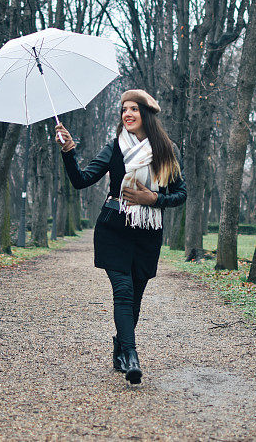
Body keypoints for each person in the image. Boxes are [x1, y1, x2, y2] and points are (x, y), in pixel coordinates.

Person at [53, 89, 187, 384]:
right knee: (123, 292)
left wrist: (153, 199)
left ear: (146, 115)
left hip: (147, 233)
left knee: (135, 299)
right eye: (124, 109)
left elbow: (180, 193)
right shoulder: (114, 147)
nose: (127, 114)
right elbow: (81, 180)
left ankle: (119, 346)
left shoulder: (166, 150)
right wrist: (69, 151)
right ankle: (131, 355)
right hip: (114, 228)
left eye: (134, 109)